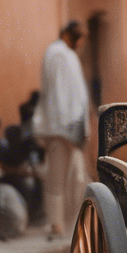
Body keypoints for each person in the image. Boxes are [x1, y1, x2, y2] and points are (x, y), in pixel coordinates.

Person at [34, 21, 91, 237]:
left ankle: (72, 224)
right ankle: (56, 224)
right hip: (62, 128)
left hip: (71, 128)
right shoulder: (57, 54)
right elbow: (59, 94)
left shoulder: (66, 54)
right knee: (57, 177)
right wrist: (67, 126)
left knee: (76, 178)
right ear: (67, 34)